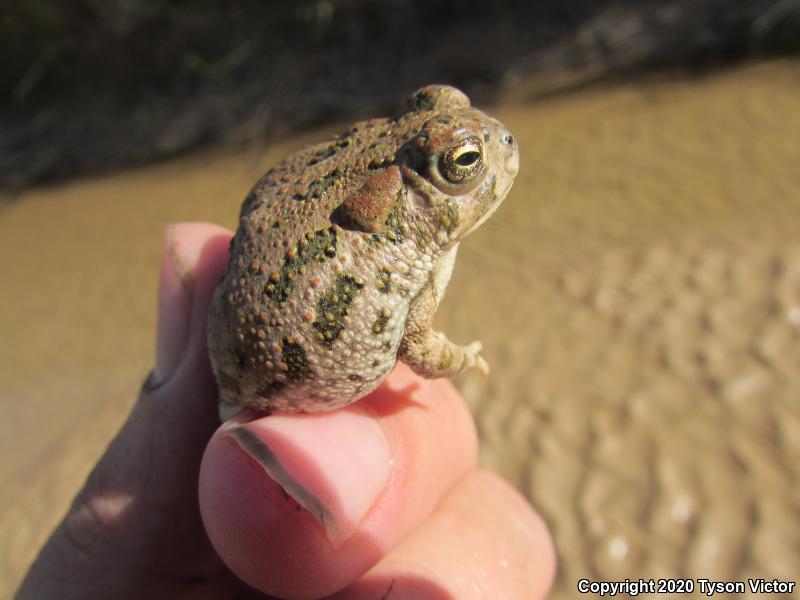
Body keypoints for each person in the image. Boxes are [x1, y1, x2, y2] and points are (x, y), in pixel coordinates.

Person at [18, 222, 555, 599]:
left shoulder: (404, 223)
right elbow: (419, 345)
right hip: (262, 370)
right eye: (462, 164)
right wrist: (461, 356)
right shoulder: (403, 225)